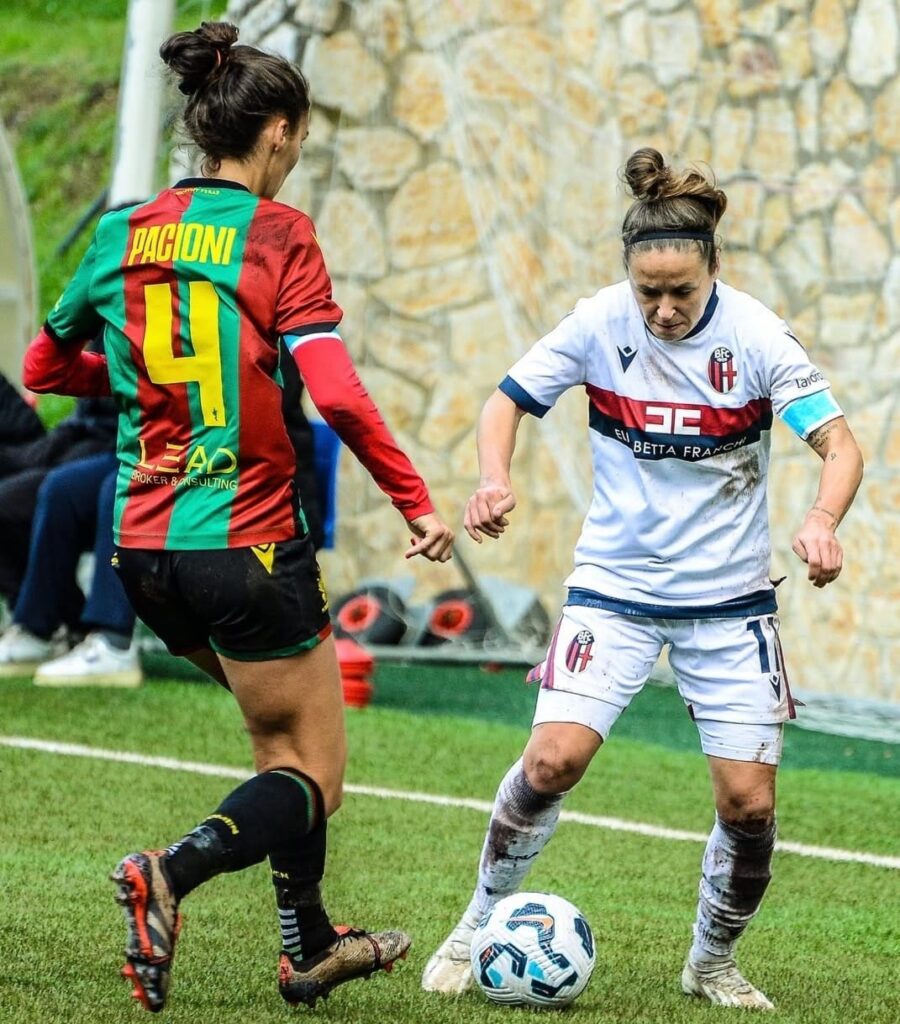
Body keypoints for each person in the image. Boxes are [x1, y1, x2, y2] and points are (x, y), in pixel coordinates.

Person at [23, 20, 453, 1014]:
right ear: (279, 133)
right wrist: (414, 499)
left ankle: (307, 947)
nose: (298, 154)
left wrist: (136, 388)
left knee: (279, 741)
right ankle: (168, 873)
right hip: (245, 541)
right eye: (298, 138)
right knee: (316, 771)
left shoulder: (121, 230)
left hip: (140, 550)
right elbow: (336, 395)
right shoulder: (280, 235)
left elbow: (46, 368)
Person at [422, 148, 863, 1011]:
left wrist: (820, 520)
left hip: (730, 606)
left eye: (681, 294)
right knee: (551, 762)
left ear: (714, 271)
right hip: (613, 592)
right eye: (647, 291)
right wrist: (492, 477)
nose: (662, 309)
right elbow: (504, 401)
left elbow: (838, 446)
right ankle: (477, 923)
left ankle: (711, 962)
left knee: (748, 807)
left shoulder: (761, 339)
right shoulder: (597, 323)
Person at [0, 453, 142, 686]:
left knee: (118, 486)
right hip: (128, 447)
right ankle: (37, 630)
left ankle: (115, 644)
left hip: (190, 450)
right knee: (61, 488)